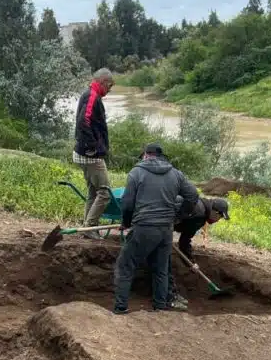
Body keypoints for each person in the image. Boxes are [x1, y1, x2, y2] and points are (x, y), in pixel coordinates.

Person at [113, 144, 199, 314]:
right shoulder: (175, 173)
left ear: (146, 155)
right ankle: (160, 308)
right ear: (161, 156)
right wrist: (177, 216)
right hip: (166, 230)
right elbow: (193, 196)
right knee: (160, 269)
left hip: (144, 227)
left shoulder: (136, 173)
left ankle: (120, 308)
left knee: (125, 266)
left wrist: (127, 222)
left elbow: (127, 203)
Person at [168, 196, 230, 310]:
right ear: (214, 212)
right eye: (220, 216)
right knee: (164, 264)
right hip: (157, 225)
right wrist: (163, 232)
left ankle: (169, 295)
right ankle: (169, 297)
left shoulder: (200, 208)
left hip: (159, 224)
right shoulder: (199, 214)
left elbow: (184, 241)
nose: (218, 220)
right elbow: (184, 240)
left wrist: (191, 262)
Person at [73, 68, 114, 237]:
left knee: (92, 191)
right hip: (90, 156)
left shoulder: (90, 94)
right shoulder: (92, 96)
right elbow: (84, 121)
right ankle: (90, 226)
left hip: (84, 153)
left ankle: (87, 228)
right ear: (103, 82)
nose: (109, 90)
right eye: (109, 86)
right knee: (105, 193)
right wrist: (93, 147)